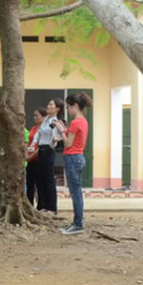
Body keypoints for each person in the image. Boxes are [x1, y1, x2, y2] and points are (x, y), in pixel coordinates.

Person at [60, 93, 92, 235]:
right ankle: (76, 222)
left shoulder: (75, 122)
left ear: (75, 106)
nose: (67, 110)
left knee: (75, 193)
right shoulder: (83, 121)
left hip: (73, 158)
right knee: (76, 192)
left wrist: (61, 131)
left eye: (68, 107)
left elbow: (68, 143)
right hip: (78, 157)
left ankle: (78, 224)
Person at [30, 98, 64, 214]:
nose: (48, 106)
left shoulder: (55, 122)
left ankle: (52, 207)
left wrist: (53, 143)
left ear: (57, 109)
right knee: (41, 178)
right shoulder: (46, 120)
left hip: (49, 150)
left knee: (48, 178)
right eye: (48, 104)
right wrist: (33, 143)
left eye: (51, 105)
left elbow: (57, 136)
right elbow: (39, 133)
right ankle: (43, 205)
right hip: (42, 149)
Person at [26, 108, 47, 206]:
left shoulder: (44, 129)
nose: (34, 117)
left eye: (37, 115)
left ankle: (40, 206)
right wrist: (26, 154)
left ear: (43, 117)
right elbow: (29, 142)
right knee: (29, 184)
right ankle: (29, 204)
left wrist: (31, 156)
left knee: (40, 185)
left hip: (38, 159)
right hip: (30, 159)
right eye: (34, 115)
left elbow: (41, 146)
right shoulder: (34, 128)